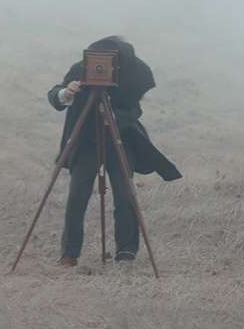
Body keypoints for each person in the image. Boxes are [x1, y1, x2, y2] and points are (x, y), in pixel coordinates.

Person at [47, 36, 181, 266]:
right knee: (78, 194)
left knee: (124, 193)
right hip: (86, 141)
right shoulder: (81, 69)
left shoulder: (133, 73)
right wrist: (67, 92)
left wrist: (114, 117)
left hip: (122, 139)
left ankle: (126, 252)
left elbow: (133, 109)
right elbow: (56, 95)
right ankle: (69, 253)